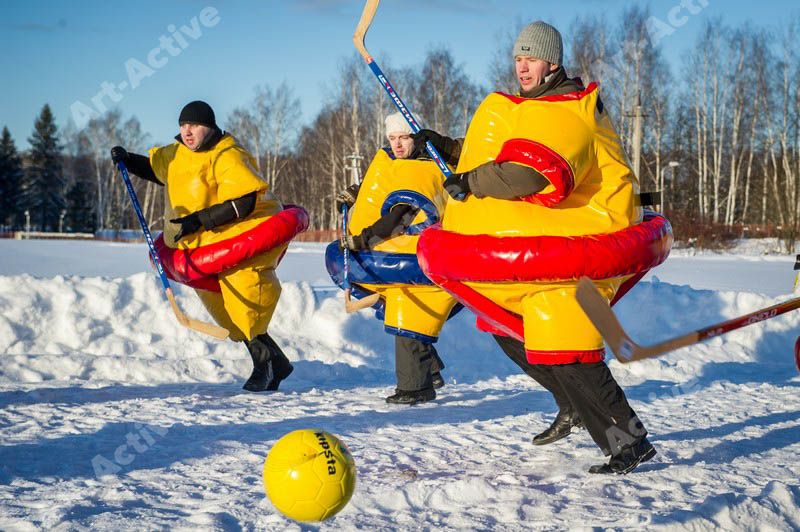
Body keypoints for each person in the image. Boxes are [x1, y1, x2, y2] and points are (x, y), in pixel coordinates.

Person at [414, 22, 672, 473]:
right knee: (505, 329)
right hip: (541, 255)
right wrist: (451, 150)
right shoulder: (535, 108)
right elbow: (500, 153)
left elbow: (536, 174)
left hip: (575, 252)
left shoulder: (568, 108)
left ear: (552, 62)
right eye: (518, 58)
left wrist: (470, 183)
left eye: (531, 58)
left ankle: (628, 441)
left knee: (566, 346)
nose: (523, 67)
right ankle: (571, 406)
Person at [111, 100, 308, 392]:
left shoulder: (228, 154)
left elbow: (244, 201)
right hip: (199, 245)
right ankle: (275, 361)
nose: (187, 132)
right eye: (183, 126)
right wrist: (128, 159)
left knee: (244, 300)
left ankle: (264, 364)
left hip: (240, 233)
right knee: (223, 311)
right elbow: (156, 169)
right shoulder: (176, 153)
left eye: (194, 126)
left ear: (210, 127)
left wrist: (196, 222)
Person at [326, 112, 457, 405]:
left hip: (413, 256)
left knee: (408, 317)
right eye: (392, 139)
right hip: (394, 256)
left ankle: (416, 387)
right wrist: (355, 194)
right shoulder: (397, 163)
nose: (397, 145)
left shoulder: (423, 170)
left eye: (404, 138)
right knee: (399, 313)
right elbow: (381, 190)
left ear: (416, 138)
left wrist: (361, 241)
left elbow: (400, 214)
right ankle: (429, 371)